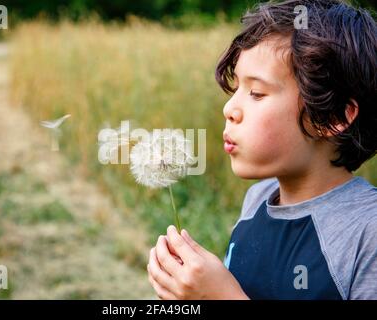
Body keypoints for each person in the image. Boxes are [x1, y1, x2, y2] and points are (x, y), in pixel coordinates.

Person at [147, 0, 377, 300]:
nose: (230, 108)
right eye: (236, 89)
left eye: (256, 93)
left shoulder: (367, 231)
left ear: (332, 116)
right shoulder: (257, 199)